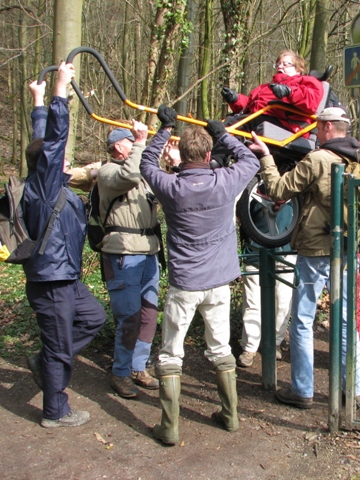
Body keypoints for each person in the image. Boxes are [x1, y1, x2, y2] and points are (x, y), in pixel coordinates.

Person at [140, 106, 260, 445]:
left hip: (185, 283)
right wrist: (224, 133)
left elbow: (146, 164)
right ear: (209, 154)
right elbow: (250, 162)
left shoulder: (171, 187)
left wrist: (164, 129)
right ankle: (231, 415)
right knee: (220, 347)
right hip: (219, 281)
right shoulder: (225, 180)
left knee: (170, 353)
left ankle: (170, 427)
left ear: (181, 154)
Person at [248, 106, 360, 409]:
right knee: (345, 319)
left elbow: (277, 189)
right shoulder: (359, 160)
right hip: (349, 249)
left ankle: (302, 390)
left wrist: (265, 156)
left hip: (316, 249)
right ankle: (351, 390)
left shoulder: (318, 159)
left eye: (317, 127)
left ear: (326, 128)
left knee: (302, 320)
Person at [24, 62, 106, 427]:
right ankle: (55, 412)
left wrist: (38, 100)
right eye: (61, 158)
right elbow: (53, 141)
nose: (67, 161)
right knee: (58, 349)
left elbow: (42, 139)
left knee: (94, 317)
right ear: (47, 163)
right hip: (52, 281)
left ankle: (46, 362)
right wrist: (60, 88)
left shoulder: (45, 184)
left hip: (64, 276)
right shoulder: (42, 187)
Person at [97, 122, 161, 398]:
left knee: (148, 315)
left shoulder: (140, 173)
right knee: (130, 317)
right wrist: (141, 141)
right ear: (117, 147)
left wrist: (168, 165)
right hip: (123, 253)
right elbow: (132, 173)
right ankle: (120, 373)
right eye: (130, 141)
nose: (136, 143)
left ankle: (138, 367)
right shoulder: (108, 172)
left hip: (148, 252)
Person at [237, 201, 295, 368]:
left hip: (286, 253)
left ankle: (275, 342)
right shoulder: (252, 187)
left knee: (283, 302)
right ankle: (250, 347)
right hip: (255, 252)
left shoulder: (293, 187)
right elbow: (239, 214)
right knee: (252, 303)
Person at [220, 50, 324, 136]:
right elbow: (250, 104)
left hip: (287, 124)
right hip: (258, 118)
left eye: (285, 64)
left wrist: (290, 92)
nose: (280, 67)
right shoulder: (265, 87)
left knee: (234, 124)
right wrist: (236, 99)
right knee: (221, 123)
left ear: (298, 69)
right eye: (278, 64)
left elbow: (312, 101)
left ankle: (216, 159)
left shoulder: (306, 81)